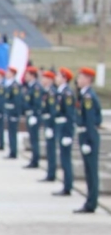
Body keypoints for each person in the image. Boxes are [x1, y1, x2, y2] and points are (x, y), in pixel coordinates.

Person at [74, 67, 101, 213]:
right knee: (89, 171)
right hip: (85, 134)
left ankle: (91, 203)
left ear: (88, 80)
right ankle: (90, 201)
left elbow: (91, 121)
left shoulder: (88, 97)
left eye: (81, 77)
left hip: (89, 136)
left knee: (91, 171)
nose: (78, 80)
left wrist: (89, 142)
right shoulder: (84, 95)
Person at [52, 67, 75, 197]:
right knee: (63, 158)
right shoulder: (61, 92)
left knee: (66, 159)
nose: (56, 78)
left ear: (65, 78)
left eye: (59, 76)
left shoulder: (67, 93)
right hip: (61, 128)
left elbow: (70, 115)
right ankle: (66, 185)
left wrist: (68, 134)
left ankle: (68, 186)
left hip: (65, 129)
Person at [39, 70, 58, 183]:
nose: (42, 80)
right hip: (47, 124)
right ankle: (50, 173)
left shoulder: (51, 92)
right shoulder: (46, 92)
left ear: (50, 80)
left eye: (44, 78)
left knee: (51, 150)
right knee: (49, 150)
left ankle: (51, 173)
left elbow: (53, 111)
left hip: (51, 125)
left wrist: (50, 127)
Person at [22, 67, 41, 169]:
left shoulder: (36, 87)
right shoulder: (30, 86)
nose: (25, 77)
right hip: (30, 115)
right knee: (32, 139)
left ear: (33, 76)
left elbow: (37, 103)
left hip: (34, 116)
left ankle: (35, 160)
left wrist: (34, 115)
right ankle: (33, 159)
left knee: (34, 139)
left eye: (27, 75)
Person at [3, 66, 20, 159]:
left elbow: (17, 101)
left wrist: (15, 114)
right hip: (9, 112)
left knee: (13, 133)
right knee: (10, 133)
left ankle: (13, 152)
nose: (7, 74)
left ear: (13, 74)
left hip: (13, 113)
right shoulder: (8, 85)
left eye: (8, 72)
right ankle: (11, 151)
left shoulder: (15, 86)